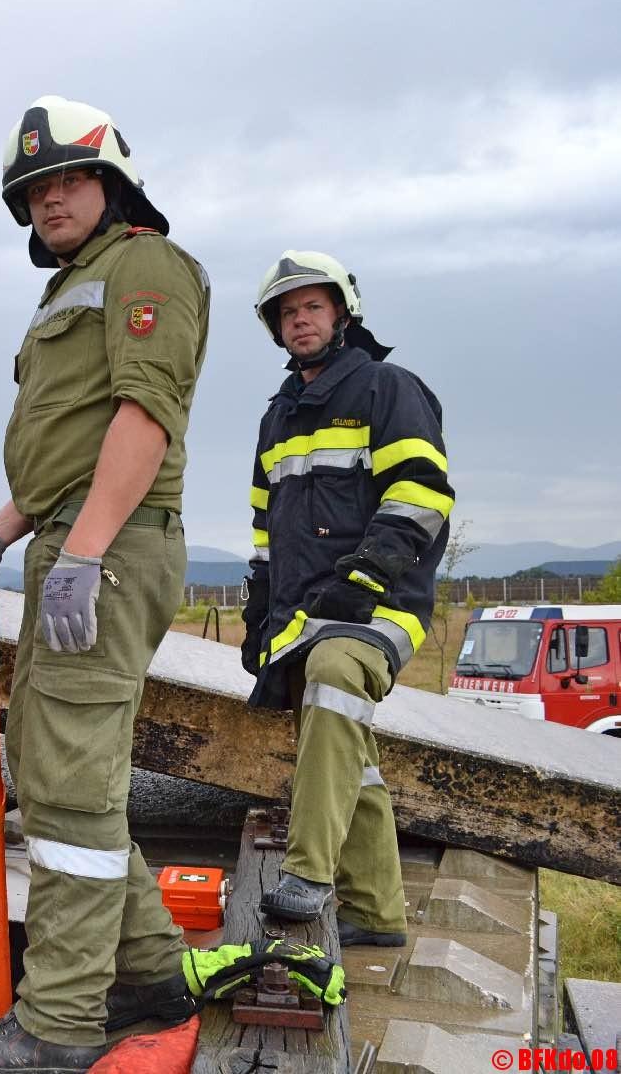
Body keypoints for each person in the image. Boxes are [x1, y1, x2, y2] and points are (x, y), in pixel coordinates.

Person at [0, 97, 209, 1073]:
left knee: (72, 786)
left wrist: (86, 551)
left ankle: (59, 1020)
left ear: (113, 185)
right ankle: (150, 974)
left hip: (111, 546)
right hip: (70, 539)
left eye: (72, 179)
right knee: (61, 773)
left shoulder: (145, 265)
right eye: (36, 189)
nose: (51, 199)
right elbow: (67, 449)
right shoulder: (72, 286)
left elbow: (145, 414)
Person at [241, 251, 453, 948]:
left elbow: (422, 492)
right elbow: (266, 528)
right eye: (287, 312)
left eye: (312, 306)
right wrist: (258, 612)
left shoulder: (387, 388)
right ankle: (377, 912)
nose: (299, 320)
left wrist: (367, 574)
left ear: (341, 314)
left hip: (379, 605)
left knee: (335, 680)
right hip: (303, 615)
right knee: (345, 749)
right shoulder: (278, 417)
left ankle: (309, 873)